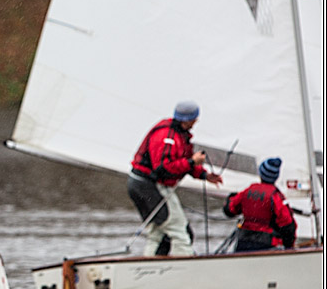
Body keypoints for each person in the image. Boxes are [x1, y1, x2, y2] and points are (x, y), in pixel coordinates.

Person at [127, 101, 223, 256]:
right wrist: (192, 162)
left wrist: (204, 175)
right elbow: (163, 168)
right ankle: (185, 266)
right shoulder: (166, 136)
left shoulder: (180, 135)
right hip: (149, 186)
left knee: (159, 233)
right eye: (195, 119)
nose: (195, 122)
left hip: (143, 184)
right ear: (188, 119)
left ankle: (150, 268)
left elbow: (182, 160)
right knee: (179, 231)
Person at [223, 157, 297, 252]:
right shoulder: (276, 196)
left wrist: (231, 197)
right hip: (267, 245)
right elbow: (288, 225)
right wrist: (289, 247)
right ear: (276, 177)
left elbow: (229, 209)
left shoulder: (248, 191)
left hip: (243, 243)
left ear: (260, 173)